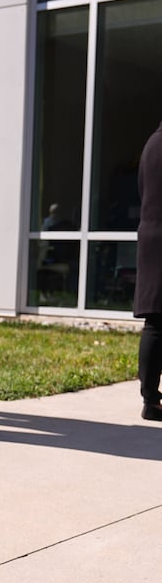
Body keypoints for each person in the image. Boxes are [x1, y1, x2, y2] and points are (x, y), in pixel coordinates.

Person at [135, 120, 162, 422]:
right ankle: (152, 401)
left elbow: (142, 190)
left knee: (156, 321)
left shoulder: (151, 143)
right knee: (157, 323)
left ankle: (151, 399)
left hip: (151, 236)